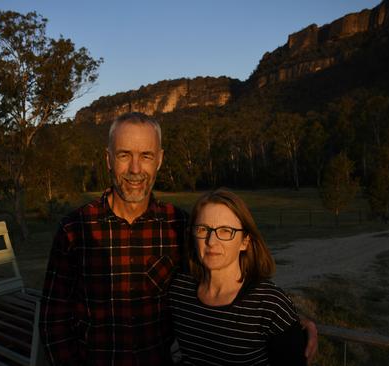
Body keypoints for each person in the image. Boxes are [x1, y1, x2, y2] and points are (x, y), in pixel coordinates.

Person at [40, 112, 317, 365]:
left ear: (159, 159)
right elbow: (54, 320)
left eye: (146, 156)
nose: (135, 168)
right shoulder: (75, 229)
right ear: (108, 159)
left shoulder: (181, 225)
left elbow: (217, 286)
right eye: (124, 155)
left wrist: (289, 325)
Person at [169, 188, 308, 365]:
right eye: (203, 229)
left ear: (244, 242)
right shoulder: (180, 291)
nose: (211, 241)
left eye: (226, 231)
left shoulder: (270, 305)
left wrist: (298, 325)